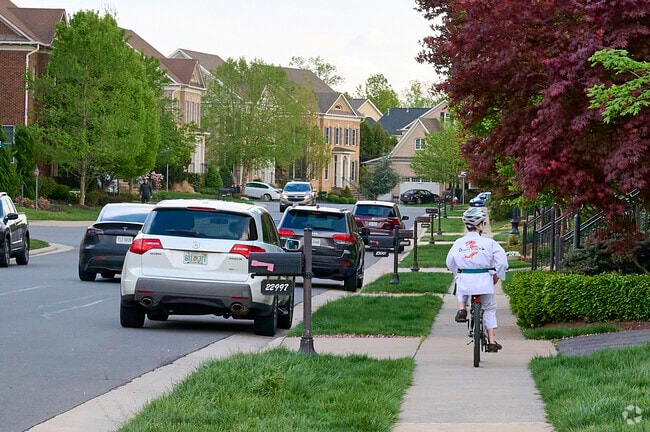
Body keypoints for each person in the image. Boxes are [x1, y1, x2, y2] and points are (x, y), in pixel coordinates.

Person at [446, 207, 508, 353]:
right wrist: (497, 275)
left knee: (459, 280)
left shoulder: (458, 243)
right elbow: (502, 263)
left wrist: (457, 271)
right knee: (489, 308)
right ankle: (492, 341)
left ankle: (462, 308)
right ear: (480, 225)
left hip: (465, 280)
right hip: (484, 281)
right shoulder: (490, 243)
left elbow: (450, 263)